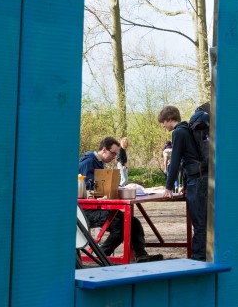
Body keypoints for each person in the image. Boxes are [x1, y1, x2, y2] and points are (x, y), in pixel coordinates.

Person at [78, 136, 161, 262]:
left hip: (98, 207)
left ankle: (141, 255)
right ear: (104, 150)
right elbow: (85, 189)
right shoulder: (88, 162)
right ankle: (101, 255)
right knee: (120, 225)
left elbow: (100, 187)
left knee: (133, 222)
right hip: (86, 210)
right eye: (113, 153)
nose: (114, 157)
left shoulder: (98, 162)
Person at [159, 105, 209, 261]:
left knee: (199, 222)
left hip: (197, 180)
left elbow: (175, 161)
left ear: (169, 119)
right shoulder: (187, 129)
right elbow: (190, 157)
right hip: (200, 178)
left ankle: (198, 258)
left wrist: (168, 187)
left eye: (163, 122)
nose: (163, 125)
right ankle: (203, 255)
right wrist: (185, 185)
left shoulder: (178, 132)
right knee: (203, 220)